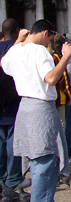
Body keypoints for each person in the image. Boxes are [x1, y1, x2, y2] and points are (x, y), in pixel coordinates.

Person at [2, 19, 71, 201]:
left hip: (24, 108)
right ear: (44, 33)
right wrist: (65, 57)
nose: (48, 43)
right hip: (41, 109)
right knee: (46, 159)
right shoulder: (39, 50)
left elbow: (4, 63)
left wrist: (19, 40)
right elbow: (50, 78)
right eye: (49, 38)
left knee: (35, 159)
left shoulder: (16, 50)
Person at [0, 19, 26, 190]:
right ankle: (14, 177)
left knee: (1, 142)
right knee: (13, 141)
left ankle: (1, 176)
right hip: (14, 101)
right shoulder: (18, 51)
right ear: (17, 31)